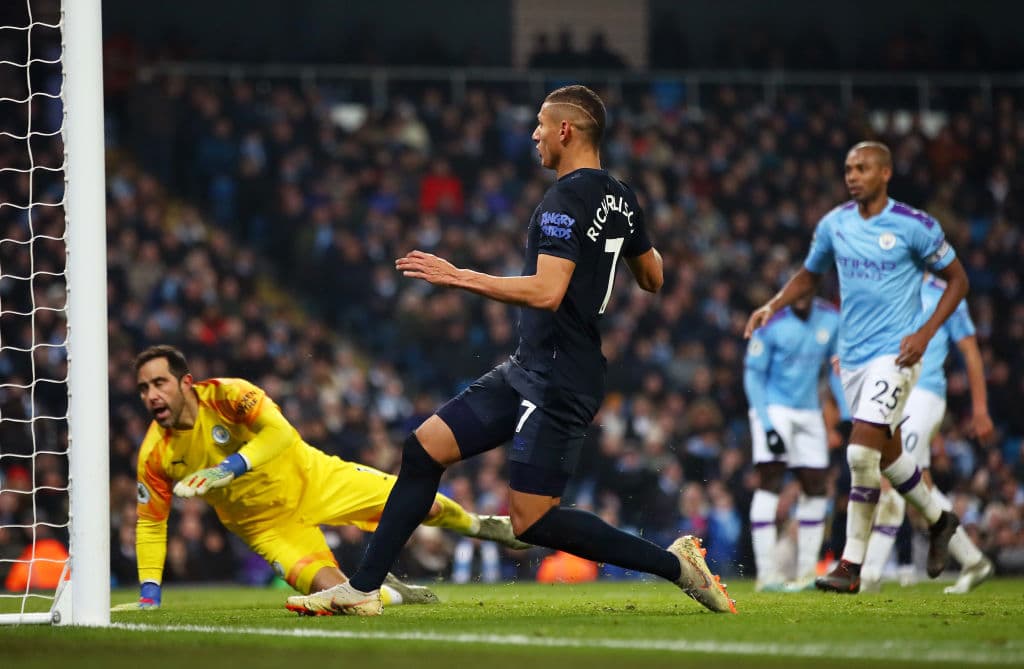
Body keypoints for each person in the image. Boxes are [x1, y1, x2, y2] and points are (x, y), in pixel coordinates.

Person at [286, 84, 735, 616]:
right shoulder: (621, 196)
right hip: (533, 366)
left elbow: (547, 291)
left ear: (566, 130)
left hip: (558, 375)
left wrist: (461, 277)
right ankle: (362, 589)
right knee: (423, 448)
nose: (535, 134)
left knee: (533, 520)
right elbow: (654, 277)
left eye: (542, 124)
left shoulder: (563, 199)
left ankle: (678, 566)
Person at [114, 345, 528, 611]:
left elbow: (280, 434)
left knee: (425, 504)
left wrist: (229, 468)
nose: (151, 395)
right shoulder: (156, 453)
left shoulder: (226, 395)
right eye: (143, 388)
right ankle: (394, 593)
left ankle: (480, 526)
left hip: (314, 477)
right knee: (344, 600)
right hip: (266, 527)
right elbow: (151, 523)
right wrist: (150, 593)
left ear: (186, 382)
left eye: (159, 383)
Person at [744, 141, 969, 594]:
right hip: (852, 359)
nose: (852, 175)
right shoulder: (834, 224)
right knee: (887, 460)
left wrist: (923, 335)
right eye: (848, 168)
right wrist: (772, 305)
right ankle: (940, 518)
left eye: (862, 168)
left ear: (885, 173)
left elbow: (958, 280)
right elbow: (810, 274)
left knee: (858, 454)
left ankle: (850, 565)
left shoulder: (915, 225)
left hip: (897, 354)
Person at [860, 274, 995, 594]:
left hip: (926, 394)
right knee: (919, 488)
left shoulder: (945, 295)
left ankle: (869, 575)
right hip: (896, 391)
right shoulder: (891, 285)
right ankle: (974, 561)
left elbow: (970, 350)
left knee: (893, 476)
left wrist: (979, 407)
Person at [744, 294, 851, 591]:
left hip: (809, 410)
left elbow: (834, 368)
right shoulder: (771, 319)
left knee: (816, 487)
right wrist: (766, 425)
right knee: (770, 480)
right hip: (773, 407)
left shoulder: (831, 318)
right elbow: (753, 375)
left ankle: (806, 573)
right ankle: (766, 575)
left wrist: (844, 411)